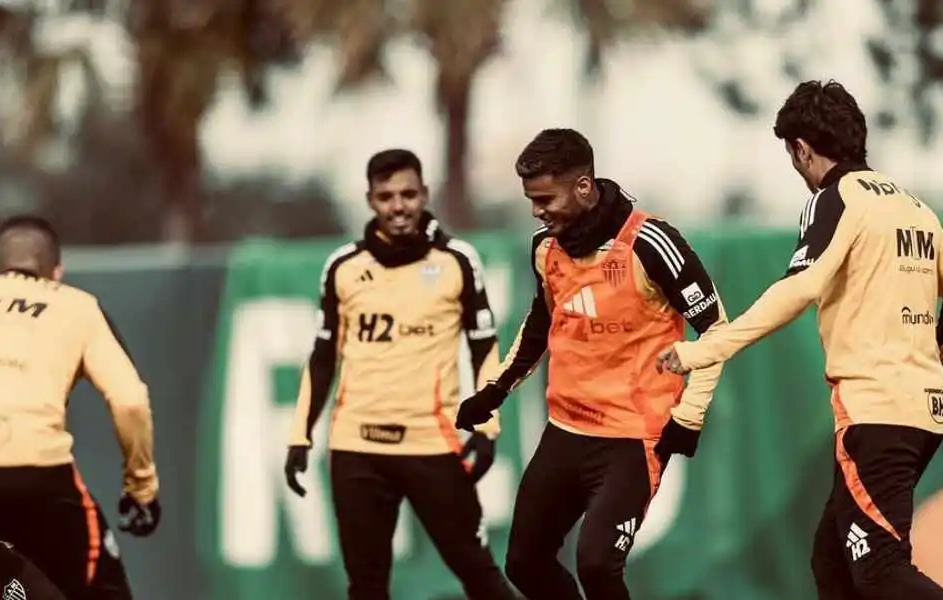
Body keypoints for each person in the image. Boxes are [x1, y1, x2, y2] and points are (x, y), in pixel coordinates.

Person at [657, 81, 943, 600]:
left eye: (792, 155)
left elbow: (799, 288)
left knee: (879, 567)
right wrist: (931, 357)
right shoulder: (914, 207)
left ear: (802, 149)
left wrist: (707, 348)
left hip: (875, 414)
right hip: (923, 411)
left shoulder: (834, 198)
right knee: (831, 558)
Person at [456, 128, 729, 600]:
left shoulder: (651, 242)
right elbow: (540, 326)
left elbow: (717, 328)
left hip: (633, 437)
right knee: (524, 562)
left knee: (598, 564)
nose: (536, 210)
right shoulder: (545, 248)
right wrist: (494, 392)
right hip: (566, 432)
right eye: (531, 200)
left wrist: (690, 416)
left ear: (583, 187)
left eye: (544, 198)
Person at [282, 149, 516, 600]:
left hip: (433, 443)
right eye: (386, 196)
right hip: (357, 448)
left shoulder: (457, 261)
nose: (399, 205)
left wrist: (487, 427)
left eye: (408, 194)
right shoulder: (343, 268)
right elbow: (322, 358)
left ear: (425, 194)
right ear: (370, 200)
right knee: (366, 588)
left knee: (480, 575)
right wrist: (300, 436)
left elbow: (484, 349)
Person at [0, 215, 162, 600]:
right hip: (32, 472)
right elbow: (130, 401)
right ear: (56, 274)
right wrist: (141, 487)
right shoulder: (77, 306)